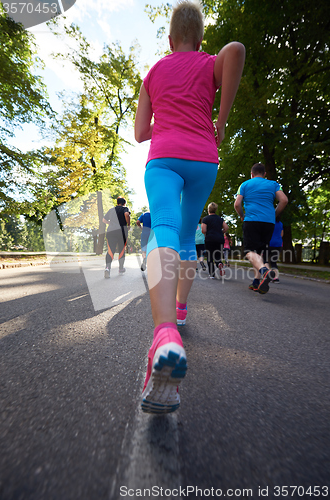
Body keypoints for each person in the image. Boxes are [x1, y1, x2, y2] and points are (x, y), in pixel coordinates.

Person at [134, 0, 245, 413]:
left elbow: (140, 132)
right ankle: (180, 308)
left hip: (164, 158)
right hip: (203, 160)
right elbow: (235, 50)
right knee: (185, 235)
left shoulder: (155, 71)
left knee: (162, 227)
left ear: (169, 38)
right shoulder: (210, 63)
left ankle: (165, 334)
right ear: (200, 38)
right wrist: (220, 119)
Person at [234, 163, 288, 294]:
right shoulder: (273, 184)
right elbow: (284, 200)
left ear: (251, 174)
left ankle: (264, 272)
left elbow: (237, 204)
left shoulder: (245, 184)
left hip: (252, 220)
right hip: (269, 223)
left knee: (249, 252)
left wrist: (242, 215)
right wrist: (274, 214)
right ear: (264, 174)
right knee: (259, 254)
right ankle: (256, 282)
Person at [102, 197, 130, 278]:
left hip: (111, 231)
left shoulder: (111, 210)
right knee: (121, 250)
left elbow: (104, 220)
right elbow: (127, 214)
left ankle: (107, 268)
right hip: (122, 232)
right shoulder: (125, 208)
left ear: (117, 203)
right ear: (124, 203)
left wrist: (110, 223)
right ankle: (121, 268)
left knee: (110, 250)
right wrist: (128, 225)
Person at [201, 202, 229, 278]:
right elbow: (226, 227)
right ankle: (219, 263)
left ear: (208, 210)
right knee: (217, 255)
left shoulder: (205, 219)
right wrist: (220, 232)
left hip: (210, 239)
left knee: (210, 257)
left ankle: (212, 274)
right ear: (215, 210)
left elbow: (203, 230)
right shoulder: (220, 219)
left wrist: (208, 233)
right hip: (219, 239)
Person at [267, 217, 284, 283]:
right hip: (278, 244)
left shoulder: (269, 223)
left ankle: (268, 275)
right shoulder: (280, 224)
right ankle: (276, 278)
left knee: (265, 260)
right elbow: (282, 234)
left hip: (269, 243)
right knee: (273, 261)